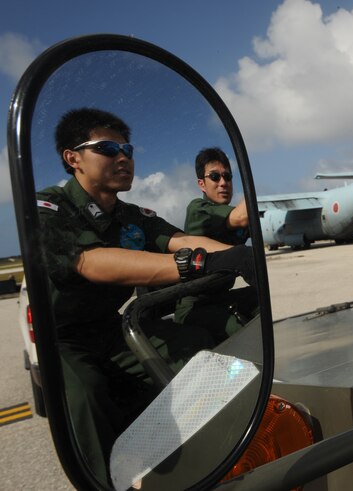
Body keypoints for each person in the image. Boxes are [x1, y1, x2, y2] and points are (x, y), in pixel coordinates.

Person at [36, 108, 256, 486]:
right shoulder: (50, 207)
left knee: (200, 350)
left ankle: (217, 454)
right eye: (107, 148)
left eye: (127, 149)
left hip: (111, 328)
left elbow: (182, 240)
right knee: (85, 397)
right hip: (65, 340)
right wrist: (196, 265)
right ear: (73, 158)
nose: (123, 157)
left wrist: (239, 257)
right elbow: (91, 262)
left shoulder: (132, 215)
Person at [174, 147, 258, 341]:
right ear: (201, 184)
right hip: (195, 306)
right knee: (243, 336)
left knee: (264, 301)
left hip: (220, 298)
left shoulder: (228, 212)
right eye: (215, 177)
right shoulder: (198, 210)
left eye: (227, 177)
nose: (223, 183)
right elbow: (242, 217)